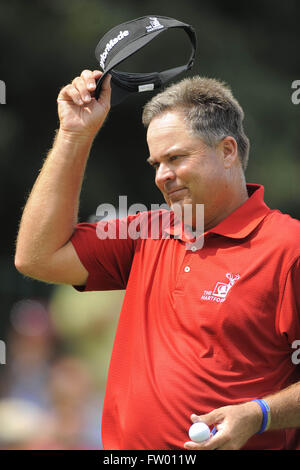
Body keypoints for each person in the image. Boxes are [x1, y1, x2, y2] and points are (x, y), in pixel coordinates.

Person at [15, 69, 300, 450]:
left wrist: (259, 414)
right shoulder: (146, 231)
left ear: (228, 151)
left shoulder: (289, 247)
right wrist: (73, 135)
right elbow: (37, 257)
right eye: (155, 164)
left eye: (176, 158)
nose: (162, 176)